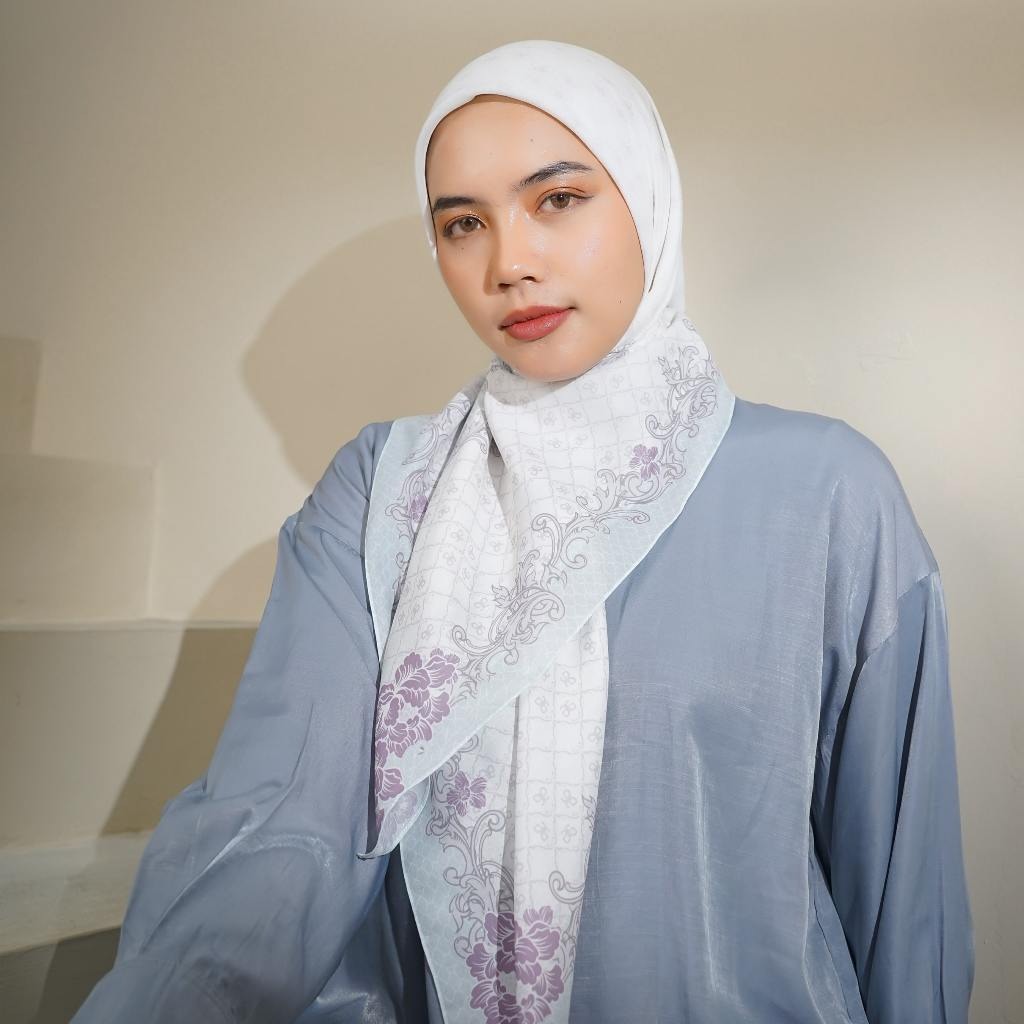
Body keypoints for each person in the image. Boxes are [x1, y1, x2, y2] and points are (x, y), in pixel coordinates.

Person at [72, 39, 974, 1024]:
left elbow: (901, 897)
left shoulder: (826, 490)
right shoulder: (382, 495)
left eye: (559, 199)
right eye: (463, 224)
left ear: (648, 197)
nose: (509, 264)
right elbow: (278, 830)